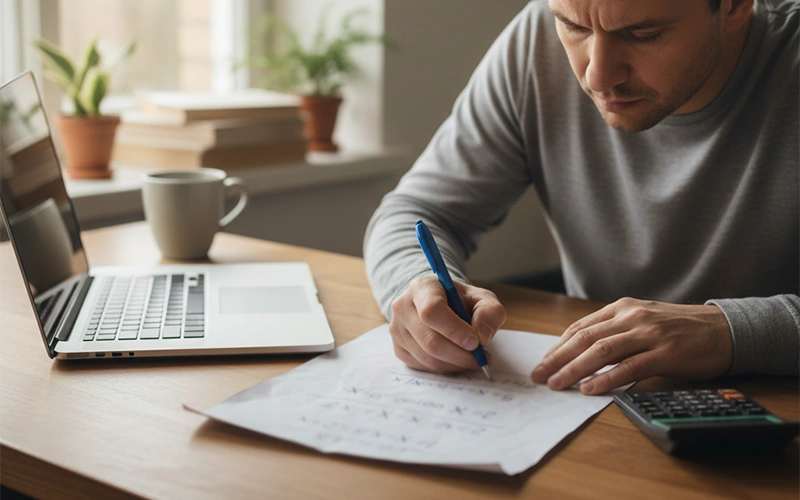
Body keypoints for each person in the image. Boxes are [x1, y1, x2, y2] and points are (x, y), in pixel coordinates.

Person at [363, 0, 800, 395]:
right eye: (573, 26)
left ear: (735, 5)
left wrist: (731, 333)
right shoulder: (534, 41)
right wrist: (417, 286)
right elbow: (418, 211)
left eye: (643, 35)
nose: (597, 75)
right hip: (596, 402)